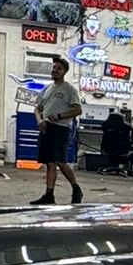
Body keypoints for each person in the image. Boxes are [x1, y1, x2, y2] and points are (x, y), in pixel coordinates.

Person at [32, 57, 84, 206]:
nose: (55, 70)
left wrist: (60, 116)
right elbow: (37, 108)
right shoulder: (47, 89)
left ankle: (76, 188)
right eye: (54, 67)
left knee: (60, 161)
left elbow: (78, 109)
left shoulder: (69, 90)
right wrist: (40, 121)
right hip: (46, 128)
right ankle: (49, 195)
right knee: (49, 163)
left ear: (65, 72)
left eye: (59, 68)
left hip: (61, 129)